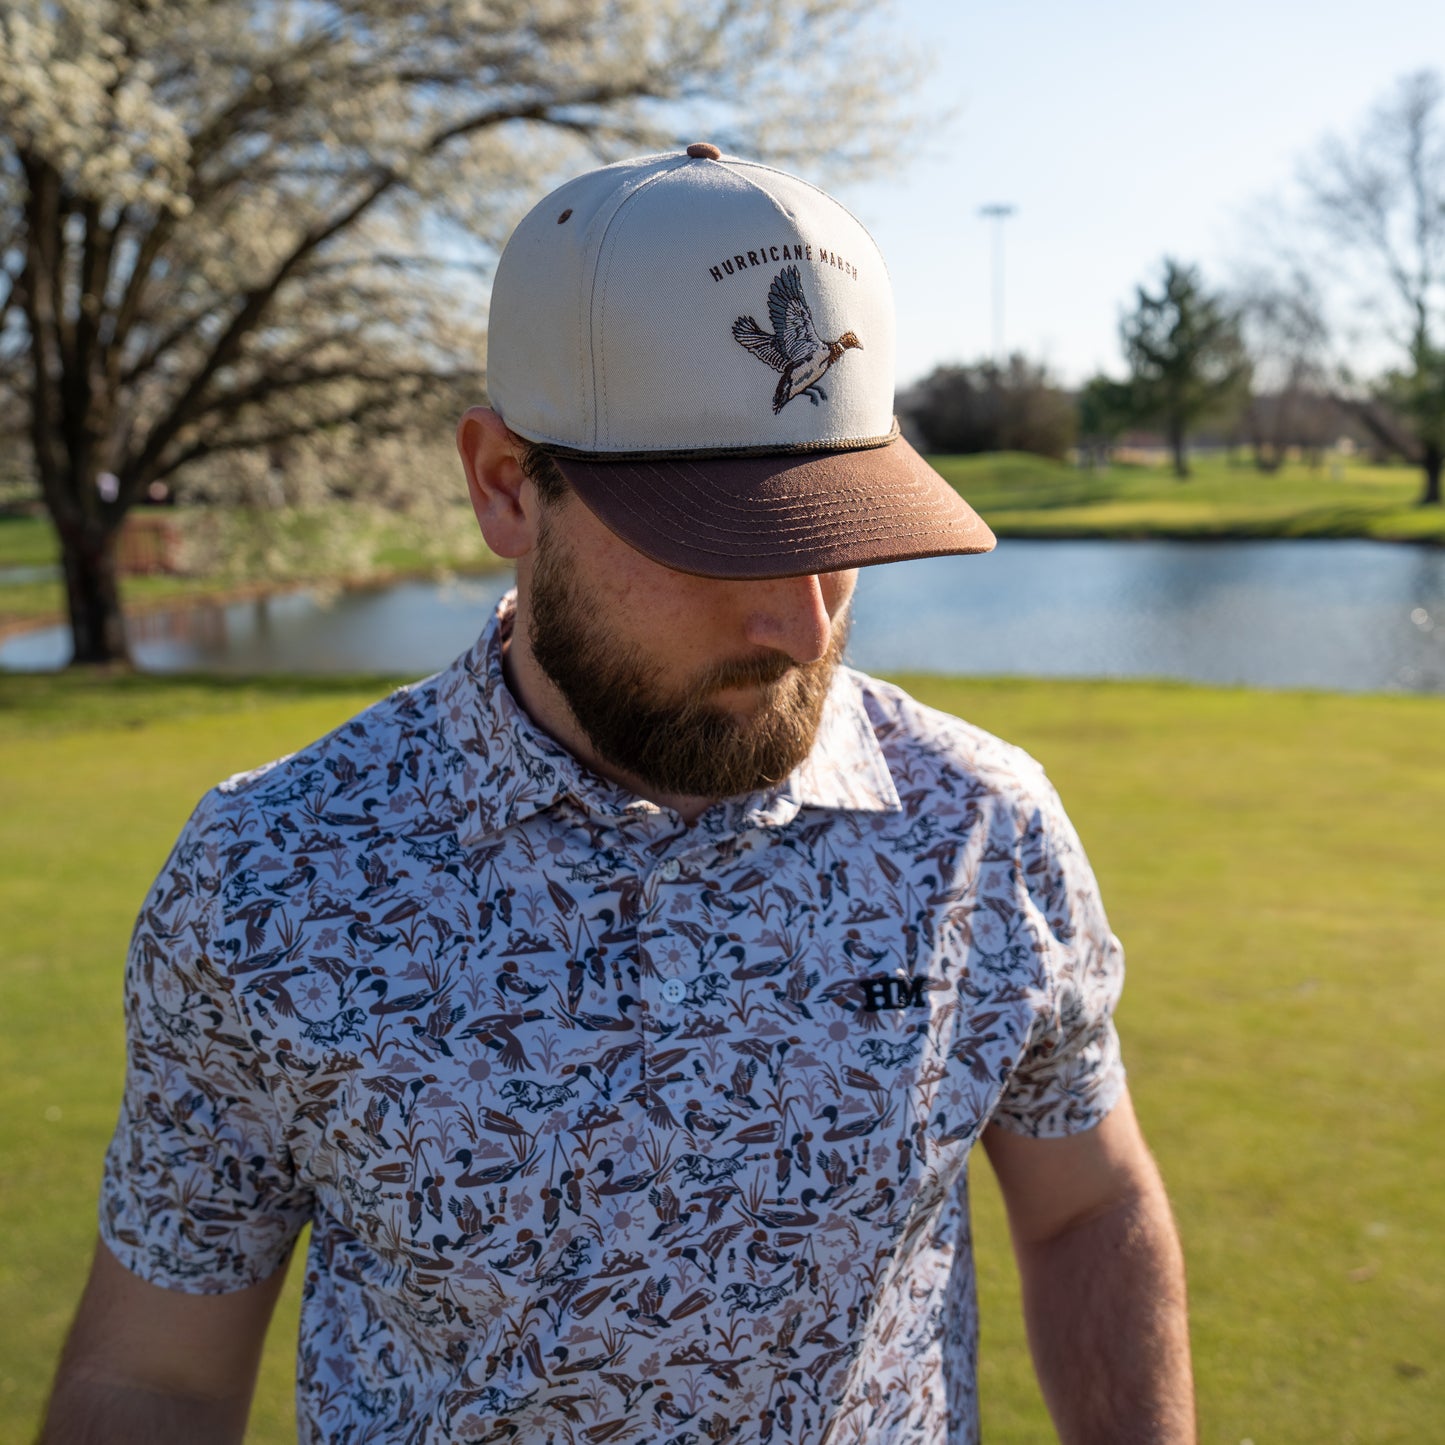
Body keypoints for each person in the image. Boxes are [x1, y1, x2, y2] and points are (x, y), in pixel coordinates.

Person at [43, 145, 1194, 1445]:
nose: (804, 622)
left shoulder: (980, 824)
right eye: (719, 538)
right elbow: (157, 1376)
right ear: (503, 486)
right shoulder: (275, 878)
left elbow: (1088, 1204)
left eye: (836, 530)